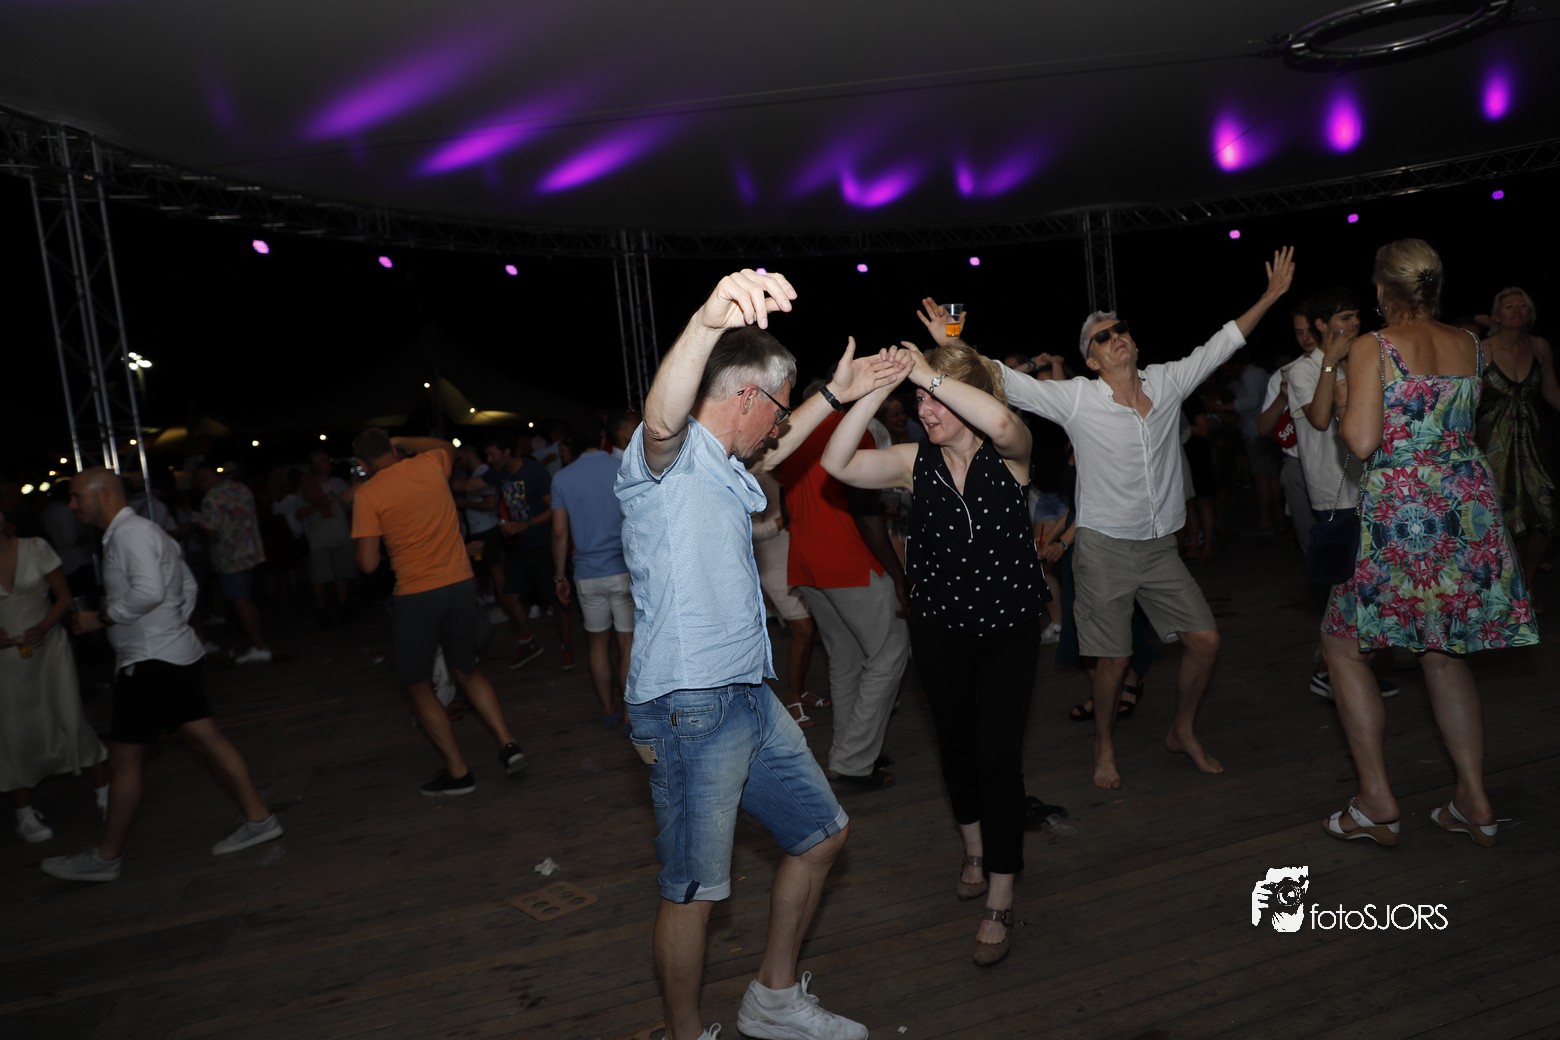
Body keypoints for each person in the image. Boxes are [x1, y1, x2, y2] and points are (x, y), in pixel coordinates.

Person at [617, 269, 895, 1040]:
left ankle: (772, 999)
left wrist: (833, 395)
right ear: (746, 397)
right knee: (694, 890)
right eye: (776, 410)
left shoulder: (723, 464)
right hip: (687, 706)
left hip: (747, 695)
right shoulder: (663, 458)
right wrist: (708, 321)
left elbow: (775, 447)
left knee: (823, 835)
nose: (777, 429)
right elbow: (661, 416)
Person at [919, 247, 1296, 789]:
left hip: (1161, 548)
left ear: (1133, 343)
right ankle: (1104, 745)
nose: (1115, 336)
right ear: (1092, 360)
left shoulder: (1167, 381)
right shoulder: (1078, 398)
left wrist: (1271, 295)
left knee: (1205, 640)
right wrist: (952, 344)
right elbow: (1001, 378)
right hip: (1104, 549)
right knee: (1113, 661)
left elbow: (1224, 342)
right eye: (1102, 336)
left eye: (1120, 329)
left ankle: (1182, 731)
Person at [822, 338, 1045, 967]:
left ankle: (1000, 894)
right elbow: (838, 463)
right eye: (917, 399)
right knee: (955, 744)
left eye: (934, 397)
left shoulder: (1010, 454)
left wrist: (926, 370)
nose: (924, 409)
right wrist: (872, 392)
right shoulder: (912, 462)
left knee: (998, 759)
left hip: (1009, 631)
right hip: (940, 629)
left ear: (966, 396)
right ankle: (973, 845)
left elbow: (1002, 420)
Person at [1320, 239, 1539, 848]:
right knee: (1443, 653)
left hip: (1404, 511)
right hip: (1466, 508)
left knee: (1342, 647)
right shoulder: (1470, 342)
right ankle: (1474, 801)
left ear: (1382, 290)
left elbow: (1362, 441)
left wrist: (1341, 388)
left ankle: (1376, 801)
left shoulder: (1375, 346)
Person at [43, 469, 282, 882]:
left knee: (124, 760)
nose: (72, 505)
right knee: (208, 739)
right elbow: (186, 587)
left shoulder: (128, 535)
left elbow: (150, 591)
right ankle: (260, 819)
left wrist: (104, 617)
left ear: (103, 494)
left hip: (151, 662)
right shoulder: (145, 531)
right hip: (173, 654)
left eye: (77, 496)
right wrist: (169, 626)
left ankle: (106, 857)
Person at [350, 431, 527, 795]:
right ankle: (508, 744)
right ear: (394, 449)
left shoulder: (368, 493)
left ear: (362, 464)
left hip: (416, 594)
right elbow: (446, 446)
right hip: (460, 583)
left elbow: (367, 564)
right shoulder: (430, 464)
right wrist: (402, 440)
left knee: (416, 684)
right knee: (466, 669)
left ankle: (459, 773)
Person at [763, 381, 911, 791]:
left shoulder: (792, 437)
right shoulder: (853, 430)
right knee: (889, 655)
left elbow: (788, 498)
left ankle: (852, 752)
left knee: (845, 661)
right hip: (850, 563)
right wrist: (899, 575)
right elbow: (865, 512)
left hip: (806, 563)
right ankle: (853, 758)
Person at [1300, 288, 1400, 701]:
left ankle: (1345, 667)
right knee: (1351, 586)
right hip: (1336, 491)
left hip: (1375, 487)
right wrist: (1330, 361)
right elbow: (1320, 418)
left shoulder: (1366, 357)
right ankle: (1332, 669)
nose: (1354, 323)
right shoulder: (1303, 369)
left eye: (1356, 316)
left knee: (1371, 589)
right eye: (1344, 317)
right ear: (1321, 325)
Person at [1, 507, 108, 843]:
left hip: (49, 647)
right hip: (5, 657)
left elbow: (63, 597)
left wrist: (44, 626)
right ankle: (24, 814)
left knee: (69, 715)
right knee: (11, 729)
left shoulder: (35, 547)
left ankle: (105, 793)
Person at [1476, 286, 1559, 591]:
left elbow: (1550, 391)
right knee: (1497, 512)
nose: (1516, 310)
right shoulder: (1481, 349)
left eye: (1522, 305)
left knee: (1547, 509)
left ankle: (1527, 582)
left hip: (1534, 441)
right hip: (1493, 443)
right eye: (1508, 306)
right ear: (1496, 316)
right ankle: (1500, 588)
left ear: (1531, 314)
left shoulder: (1539, 346)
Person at [550, 427, 633, 728]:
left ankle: (608, 709)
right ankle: (629, 713)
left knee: (597, 644)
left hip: (586, 575)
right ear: (601, 437)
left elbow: (559, 533)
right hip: (623, 569)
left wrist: (560, 576)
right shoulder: (621, 467)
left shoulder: (562, 478)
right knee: (627, 644)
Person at [194, 465, 272, 665]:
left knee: (239, 601)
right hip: (250, 550)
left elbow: (212, 531)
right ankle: (258, 642)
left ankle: (260, 646)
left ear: (203, 481)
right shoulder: (241, 488)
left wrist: (198, 522)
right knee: (246, 599)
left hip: (230, 557)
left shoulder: (212, 498)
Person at [296, 449, 356, 629]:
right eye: (322, 460)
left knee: (342, 573)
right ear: (314, 466)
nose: (327, 463)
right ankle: (322, 611)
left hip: (341, 534)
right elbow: (299, 513)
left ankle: (343, 607)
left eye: (327, 459)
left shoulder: (339, 483)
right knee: (320, 577)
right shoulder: (307, 487)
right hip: (319, 538)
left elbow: (351, 507)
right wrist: (320, 504)